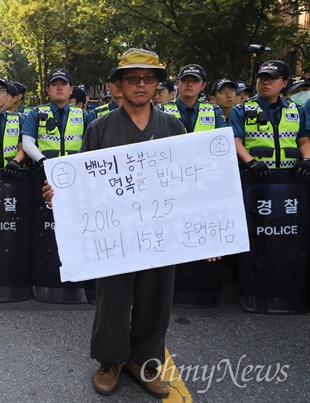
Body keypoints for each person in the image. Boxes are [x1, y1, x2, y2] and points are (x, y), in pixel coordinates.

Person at [42, 48, 217, 398]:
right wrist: (60, 192)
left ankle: (144, 362)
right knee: (114, 296)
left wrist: (209, 233)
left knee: (156, 296)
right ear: (119, 85)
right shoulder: (100, 127)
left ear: (157, 84)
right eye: (132, 79)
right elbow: (84, 179)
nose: (141, 85)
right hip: (115, 232)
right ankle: (110, 360)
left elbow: (188, 181)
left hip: (160, 231)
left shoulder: (172, 126)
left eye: (148, 79)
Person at [228, 60, 310, 178]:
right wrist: (251, 162)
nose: (265, 82)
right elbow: (235, 141)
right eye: (262, 78)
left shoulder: (296, 110)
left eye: (272, 78)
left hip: (291, 177)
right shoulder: (241, 109)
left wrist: (307, 159)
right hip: (255, 176)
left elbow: (304, 141)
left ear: (285, 83)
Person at [22, 68, 89, 165]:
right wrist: (42, 161)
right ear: (47, 90)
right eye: (54, 84)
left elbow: (92, 144)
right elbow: (27, 142)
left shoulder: (83, 115)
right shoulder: (36, 113)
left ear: (71, 89)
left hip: (76, 172)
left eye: (64, 84)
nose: (59, 88)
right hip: (43, 171)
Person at [158, 64, 227, 132]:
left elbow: (224, 138)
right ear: (177, 84)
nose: (189, 85)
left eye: (195, 81)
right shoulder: (162, 110)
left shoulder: (213, 111)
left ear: (203, 85)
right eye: (184, 80)